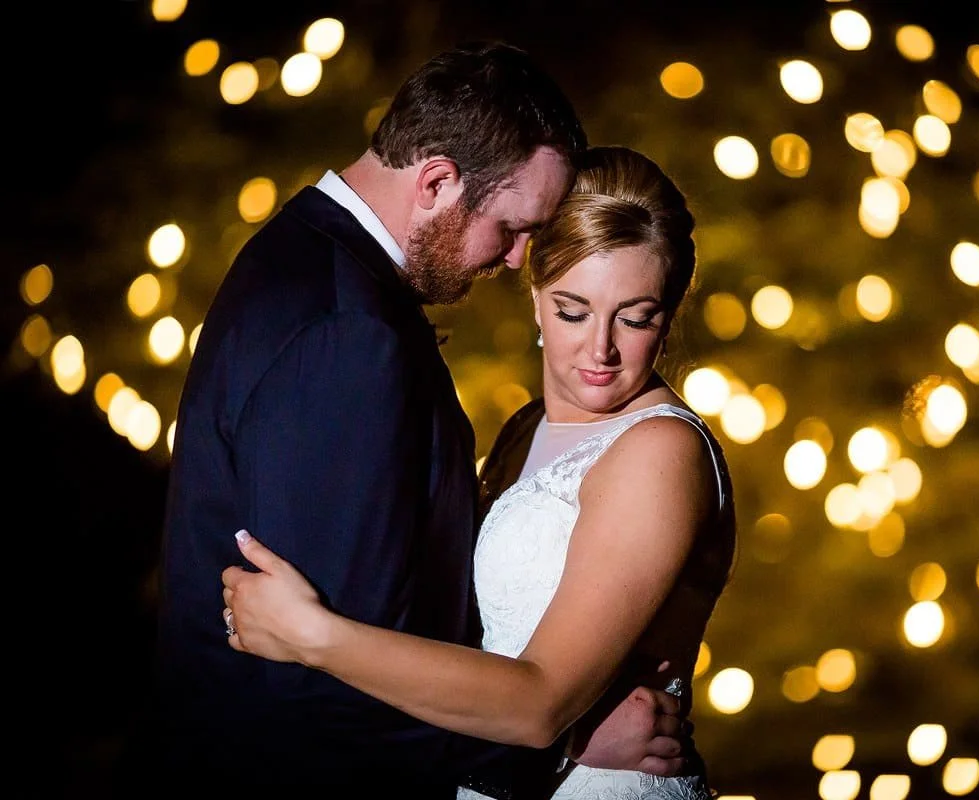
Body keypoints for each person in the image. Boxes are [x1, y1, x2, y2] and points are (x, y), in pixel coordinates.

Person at [129, 42, 689, 797]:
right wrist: (559, 746)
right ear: (437, 182)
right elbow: (316, 674)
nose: (521, 257)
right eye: (514, 228)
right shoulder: (346, 333)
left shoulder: (299, 253)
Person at [221, 145, 738, 800]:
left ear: (668, 313)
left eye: (636, 317)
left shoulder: (659, 450)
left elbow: (539, 701)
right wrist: (569, 742)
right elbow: (484, 646)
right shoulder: (525, 429)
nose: (601, 349)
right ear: (536, 294)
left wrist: (312, 634)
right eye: (574, 309)